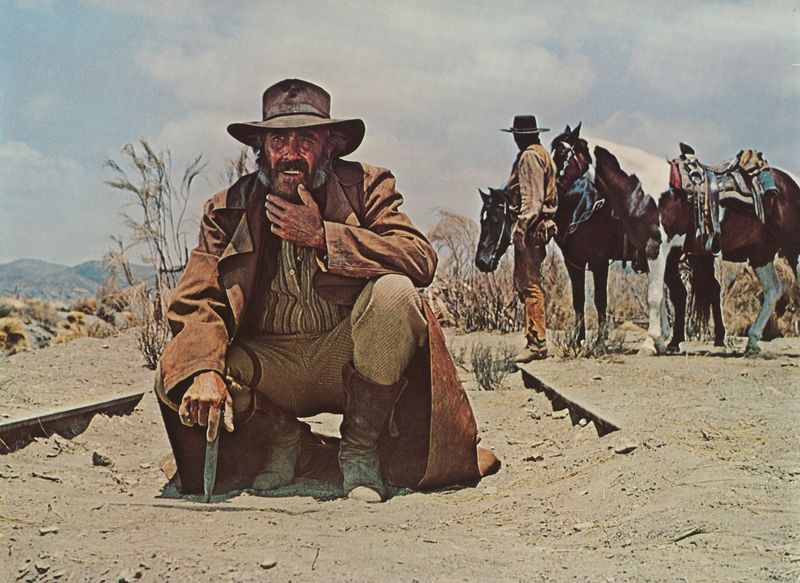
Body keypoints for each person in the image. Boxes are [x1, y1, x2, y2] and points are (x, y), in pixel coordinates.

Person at [155, 79, 498, 503]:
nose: (291, 152)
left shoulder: (367, 187)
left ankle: (359, 452)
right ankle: (286, 441)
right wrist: (205, 371)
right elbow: (195, 300)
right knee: (180, 367)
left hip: (347, 358)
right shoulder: (227, 208)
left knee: (395, 293)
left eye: (306, 138)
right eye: (279, 139)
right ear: (261, 148)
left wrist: (325, 237)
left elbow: (419, 259)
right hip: (269, 367)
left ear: (330, 145)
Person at [502, 115, 558, 364]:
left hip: (532, 228)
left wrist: (520, 228)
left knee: (530, 283)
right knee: (529, 281)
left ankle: (536, 342)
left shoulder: (529, 157)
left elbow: (532, 201)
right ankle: (534, 339)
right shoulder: (542, 153)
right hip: (539, 228)